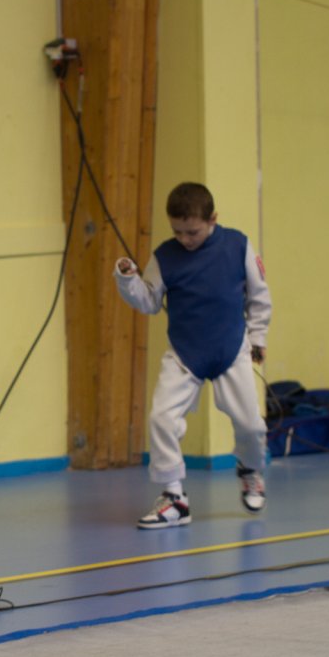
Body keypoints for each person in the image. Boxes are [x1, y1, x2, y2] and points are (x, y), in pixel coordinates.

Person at [114, 182, 271, 529]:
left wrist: (258, 337)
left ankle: (251, 471)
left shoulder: (238, 246)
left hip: (232, 349)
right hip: (185, 353)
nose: (185, 239)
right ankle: (174, 498)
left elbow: (259, 296)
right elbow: (149, 301)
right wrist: (128, 281)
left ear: (213, 219)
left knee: (250, 424)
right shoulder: (165, 257)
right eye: (178, 232)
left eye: (193, 232)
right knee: (162, 418)